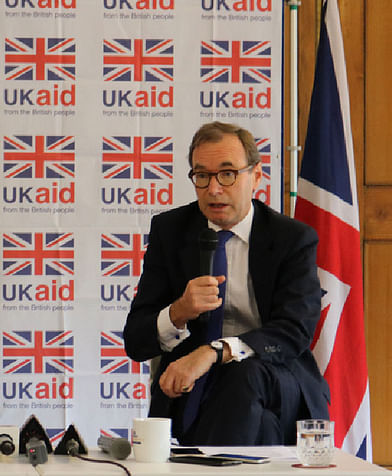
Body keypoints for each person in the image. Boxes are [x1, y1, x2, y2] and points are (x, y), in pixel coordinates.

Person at [123, 122, 329, 445]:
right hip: (197, 385)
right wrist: (178, 312)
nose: (214, 189)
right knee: (261, 429)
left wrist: (213, 352)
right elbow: (135, 340)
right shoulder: (171, 232)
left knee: (242, 375)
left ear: (256, 176)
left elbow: (294, 331)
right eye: (202, 176)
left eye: (228, 174)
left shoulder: (291, 239)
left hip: (276, 376)